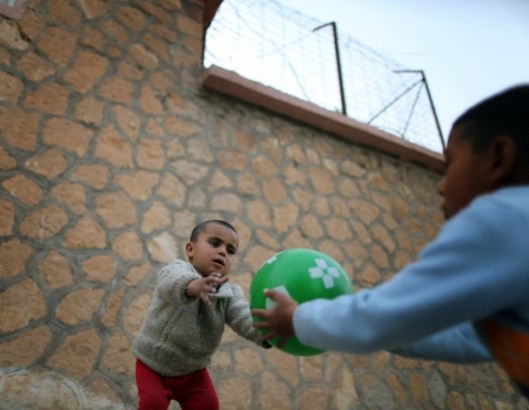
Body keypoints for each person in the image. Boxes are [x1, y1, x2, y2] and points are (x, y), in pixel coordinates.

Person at [252, 84, 529, 397]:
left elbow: (384, 318)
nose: (440, 187)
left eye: (448, 165)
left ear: (499, 158)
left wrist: (298, 319)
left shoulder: (503, 218)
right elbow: (457, 336)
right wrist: (361, 314)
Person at [133, 220, 269, 409]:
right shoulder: (178, 269)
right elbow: (169, 282)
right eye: (215, 243)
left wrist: (269, 332)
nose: (222, 251)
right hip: (153, 362)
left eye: (230, 250)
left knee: (209, 405)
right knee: (152, 403)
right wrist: (193, 286)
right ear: (190, 249)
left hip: (193, 371)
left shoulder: (229, 294)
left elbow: (243, 318)